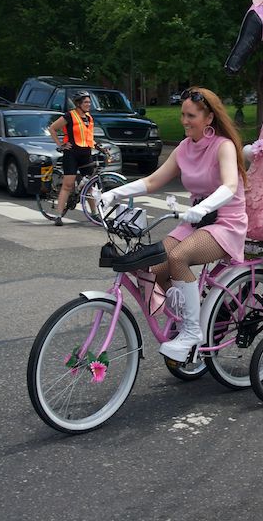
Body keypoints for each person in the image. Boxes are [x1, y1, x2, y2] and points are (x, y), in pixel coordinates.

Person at [102, 87, 248, 362]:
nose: (184, 120)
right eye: (182, 114)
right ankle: (184, 317)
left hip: (226, 223)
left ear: (208, 119)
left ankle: (193, 332)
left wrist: (203, 207)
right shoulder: (184, 148)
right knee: (155, 265)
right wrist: (115, 192)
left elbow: (230, 185)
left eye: (190, 115)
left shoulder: (223, 145)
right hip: (196, 221)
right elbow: (154, 181)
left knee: (178, 258)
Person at [49, 90, 98, 226]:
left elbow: (89, 136)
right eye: (86, 102)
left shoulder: (89, 117)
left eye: (89, 102)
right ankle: (58, 215)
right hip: (71, 154)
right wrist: (60, 144)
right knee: (68, 185)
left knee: (89, 186)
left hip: (86, 153)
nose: (89, 104)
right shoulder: (70, 115)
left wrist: (99, 147)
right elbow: (52, 128)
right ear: (78, 104)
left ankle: (94, 214)